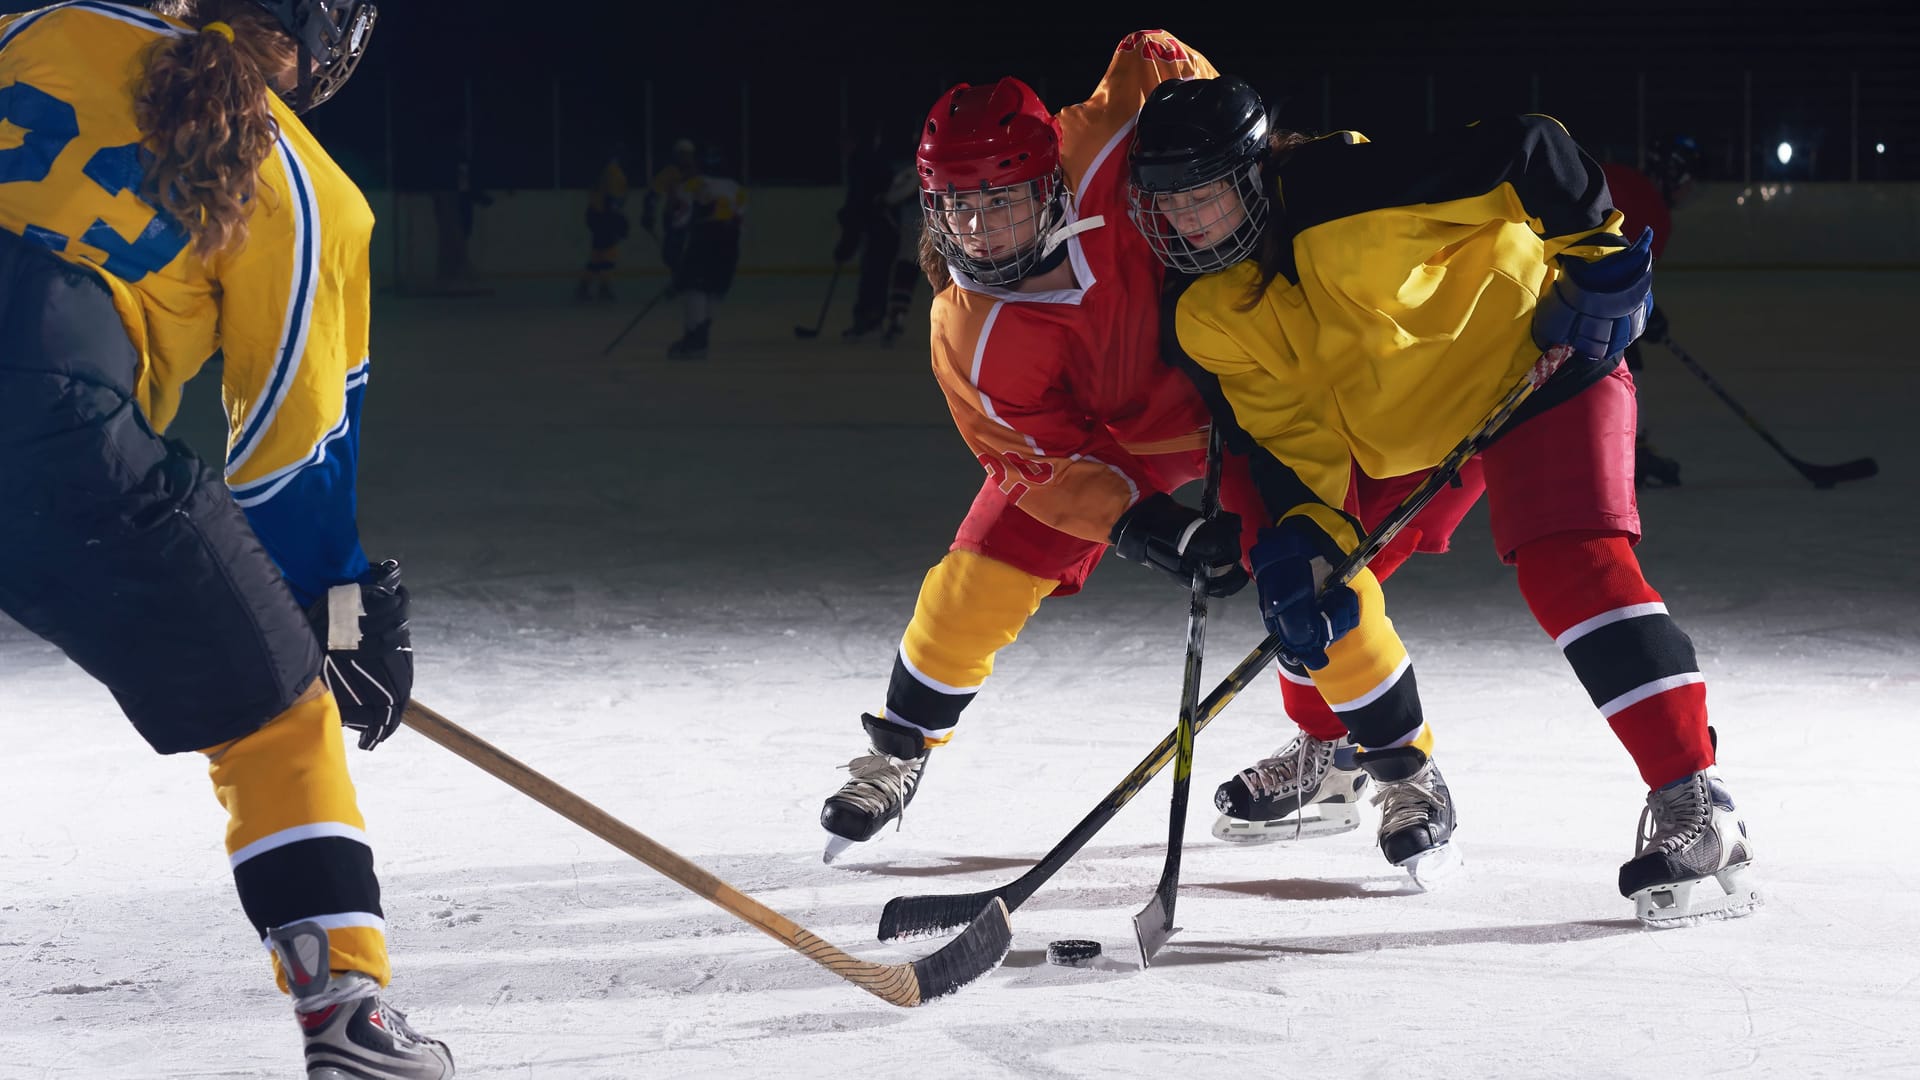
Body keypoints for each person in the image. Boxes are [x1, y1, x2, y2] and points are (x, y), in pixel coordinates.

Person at [1128, 75, 1758, 922]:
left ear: (1251, 175)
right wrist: (1308, 533)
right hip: (1418, 435)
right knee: (1320, 590)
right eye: (1170, 204)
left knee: (1570, 565)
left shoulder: (1350, 188)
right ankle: (1337, 749)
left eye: (1205, 196)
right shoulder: (1204, 311)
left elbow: (1532, 146)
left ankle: (1696, 802)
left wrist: (1594, 253)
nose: (1189, 222)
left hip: (1538, 372)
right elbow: (1297, 446)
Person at [0, 2, 454, 1075]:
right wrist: (335, 619)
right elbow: (290, 456)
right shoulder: (306, 190)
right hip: (49, 433)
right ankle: (347, 1014)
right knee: (275, 719)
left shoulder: (46, 21)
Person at [1601, 136, 1699, 487]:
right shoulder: (1653, 212)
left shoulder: (1620, 179)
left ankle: (1624, 445)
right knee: (1622, 358)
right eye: (1687, 184)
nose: (1689, 192)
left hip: (1558, 282)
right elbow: (1624, 276)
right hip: (1587, 294)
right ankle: (1625, 448)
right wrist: (1645, 312)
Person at [665, 146, 745, 360]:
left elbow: (679, 220)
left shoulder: (691, 185)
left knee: (695, 287)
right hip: (730, 243)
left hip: (704, 241)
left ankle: (695, 340)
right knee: (715, 289)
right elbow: (739, 218)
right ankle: (700, 336)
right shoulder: (736, 187)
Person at [833, 120, 904, 340]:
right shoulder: (867, 160)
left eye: (844, 141)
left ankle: (869, 318)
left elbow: (861, 199)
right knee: (874, 272)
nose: (841, 147)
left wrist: (850, 224)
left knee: (874, 273)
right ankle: (871, 317)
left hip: (883, 226)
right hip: (880, 225)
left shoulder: (862, 163)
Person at [578, 141, 630, 302]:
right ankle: (604, 288)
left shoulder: (602, 171)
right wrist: (616, 219)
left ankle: (585, 286)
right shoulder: (614, 172)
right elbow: (613, 200)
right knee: (608, 253)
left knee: (598, 254)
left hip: (596, 215)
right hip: (604, 216)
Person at [642, 137, 697, 282]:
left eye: (688, 154)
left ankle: (685, 279)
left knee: (689, 251)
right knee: (671, 254)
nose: (686, 158)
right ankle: (679, 278)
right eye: (683, 154)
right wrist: (648, 213)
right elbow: (653, 194)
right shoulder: (670, 172)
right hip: (674, 218)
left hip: (692, 218)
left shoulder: (696, 174)